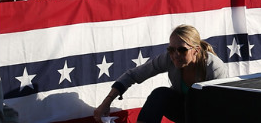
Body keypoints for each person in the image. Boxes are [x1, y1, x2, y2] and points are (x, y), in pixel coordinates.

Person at [93, 24, 228, 123]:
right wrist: (106, 102)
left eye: (182, 50)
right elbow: (132, 75)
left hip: (207, 115)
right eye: (171, 49)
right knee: (160, 94)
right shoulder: (168, 58)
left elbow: (221, 110)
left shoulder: (214, 68)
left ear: (196, 50)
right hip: (184, 110)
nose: (175, 55)